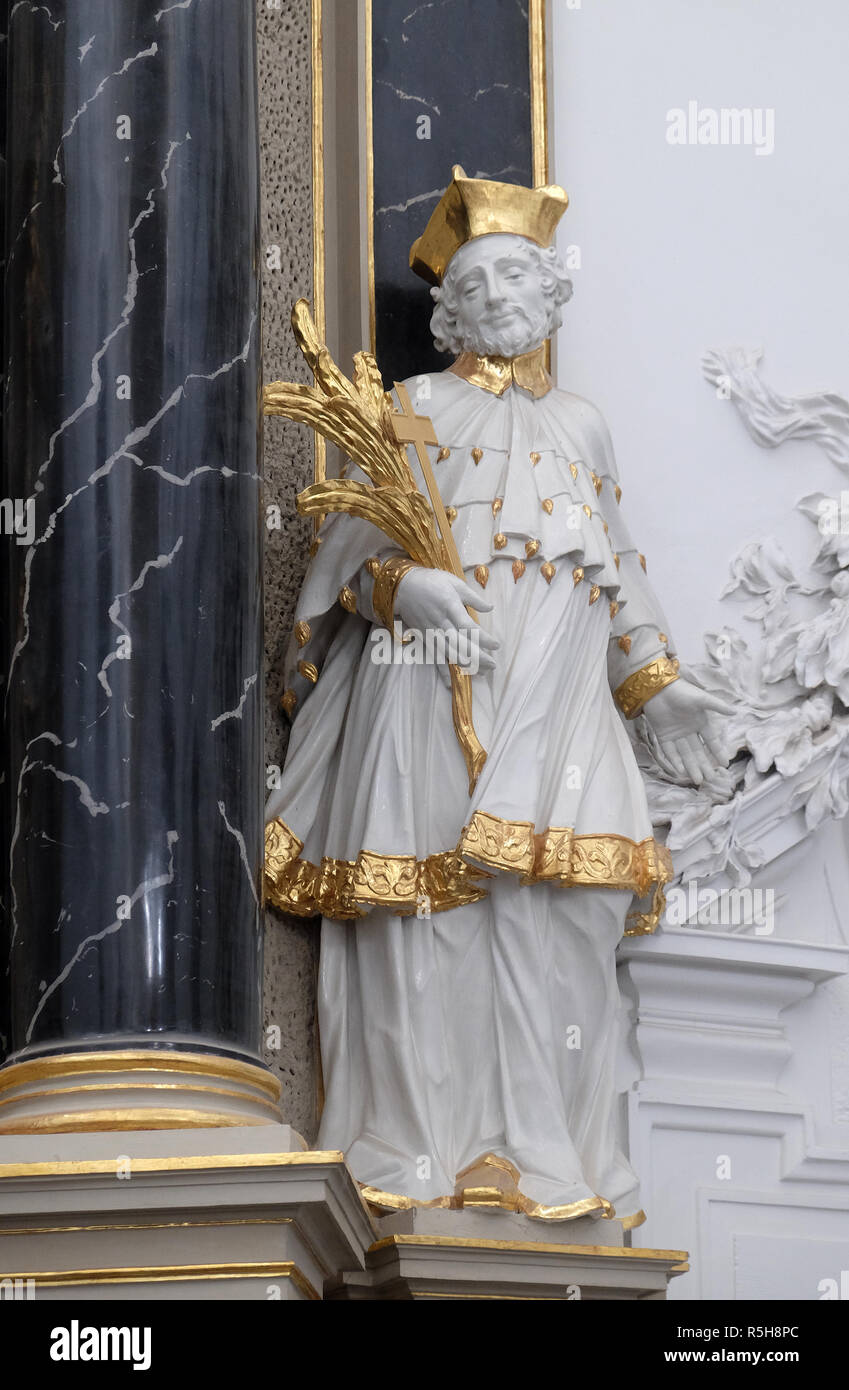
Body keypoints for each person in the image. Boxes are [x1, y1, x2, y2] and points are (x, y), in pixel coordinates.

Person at [265, 167, 728, 1222]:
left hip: (560, 700)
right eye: (477, 281)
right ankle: (420, 1143)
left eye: (521, 273)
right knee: (431, 904)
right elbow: (346, 561)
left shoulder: (584, 426)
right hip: (430, 691)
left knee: (562, 911)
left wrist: (656, 685)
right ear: (447, 313)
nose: (502, 292)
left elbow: (618, 563)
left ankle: (541, 1150)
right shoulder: (414, 408)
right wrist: (403, 586)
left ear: (554, 295)